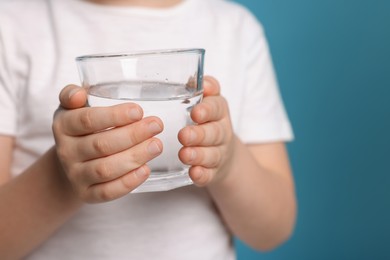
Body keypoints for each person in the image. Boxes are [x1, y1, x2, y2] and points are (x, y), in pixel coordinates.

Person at [0, 0, 297, 259]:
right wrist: (63, 177)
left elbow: (273, 229)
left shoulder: (237, 30)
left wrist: (229, 162)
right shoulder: (10, 27)